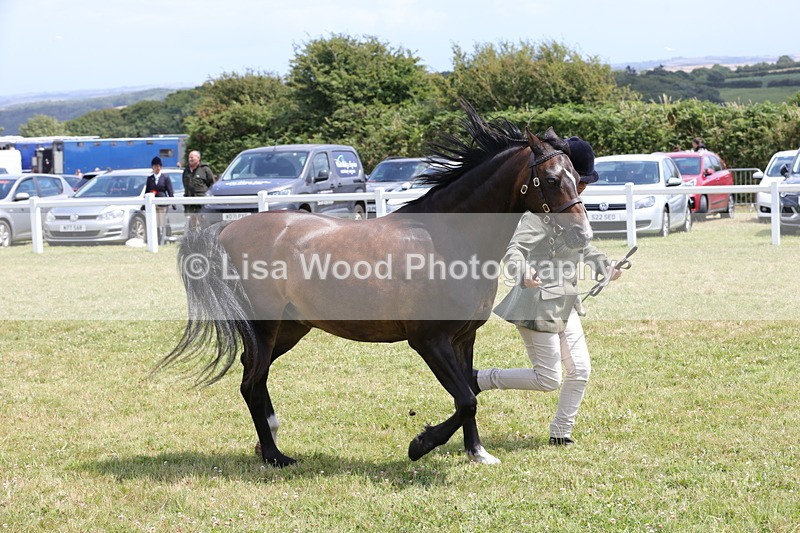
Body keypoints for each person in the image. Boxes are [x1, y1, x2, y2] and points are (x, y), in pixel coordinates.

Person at [472, 137, 623, 447]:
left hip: (566, 303)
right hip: (537, 305)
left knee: (580, 370)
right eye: (580, 181)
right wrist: (523, 272)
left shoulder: (570, 210)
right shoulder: (539, 214)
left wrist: (605, 266)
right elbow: (514, 250)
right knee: (548, 379)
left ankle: (561, 432)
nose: (583, 188)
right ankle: (479, 379)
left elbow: (583, 246)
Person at [182, 150, 215, 228]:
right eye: (189, 157)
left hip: (201, 202)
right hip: (189, 202)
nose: (190, 159)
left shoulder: (205, 169)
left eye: (192, 157)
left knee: (203, 222)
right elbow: (185, 184)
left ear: (198, 158)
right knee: (191, 223)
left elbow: (212, 184)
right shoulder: (186, 170)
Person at [145, 156, 174, 245]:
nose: (157, 168)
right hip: (153, 203)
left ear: (160, 167)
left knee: (162, 221)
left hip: (162, 203)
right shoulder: (150, 178)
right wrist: (144, 203)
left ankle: (165, 238)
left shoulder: (165, 177)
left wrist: (172, 202)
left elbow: (170, 190)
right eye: (155, 166)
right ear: (152, 167)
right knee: (155, 222)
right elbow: (147, 191)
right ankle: (157, 239)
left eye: (158, 166)